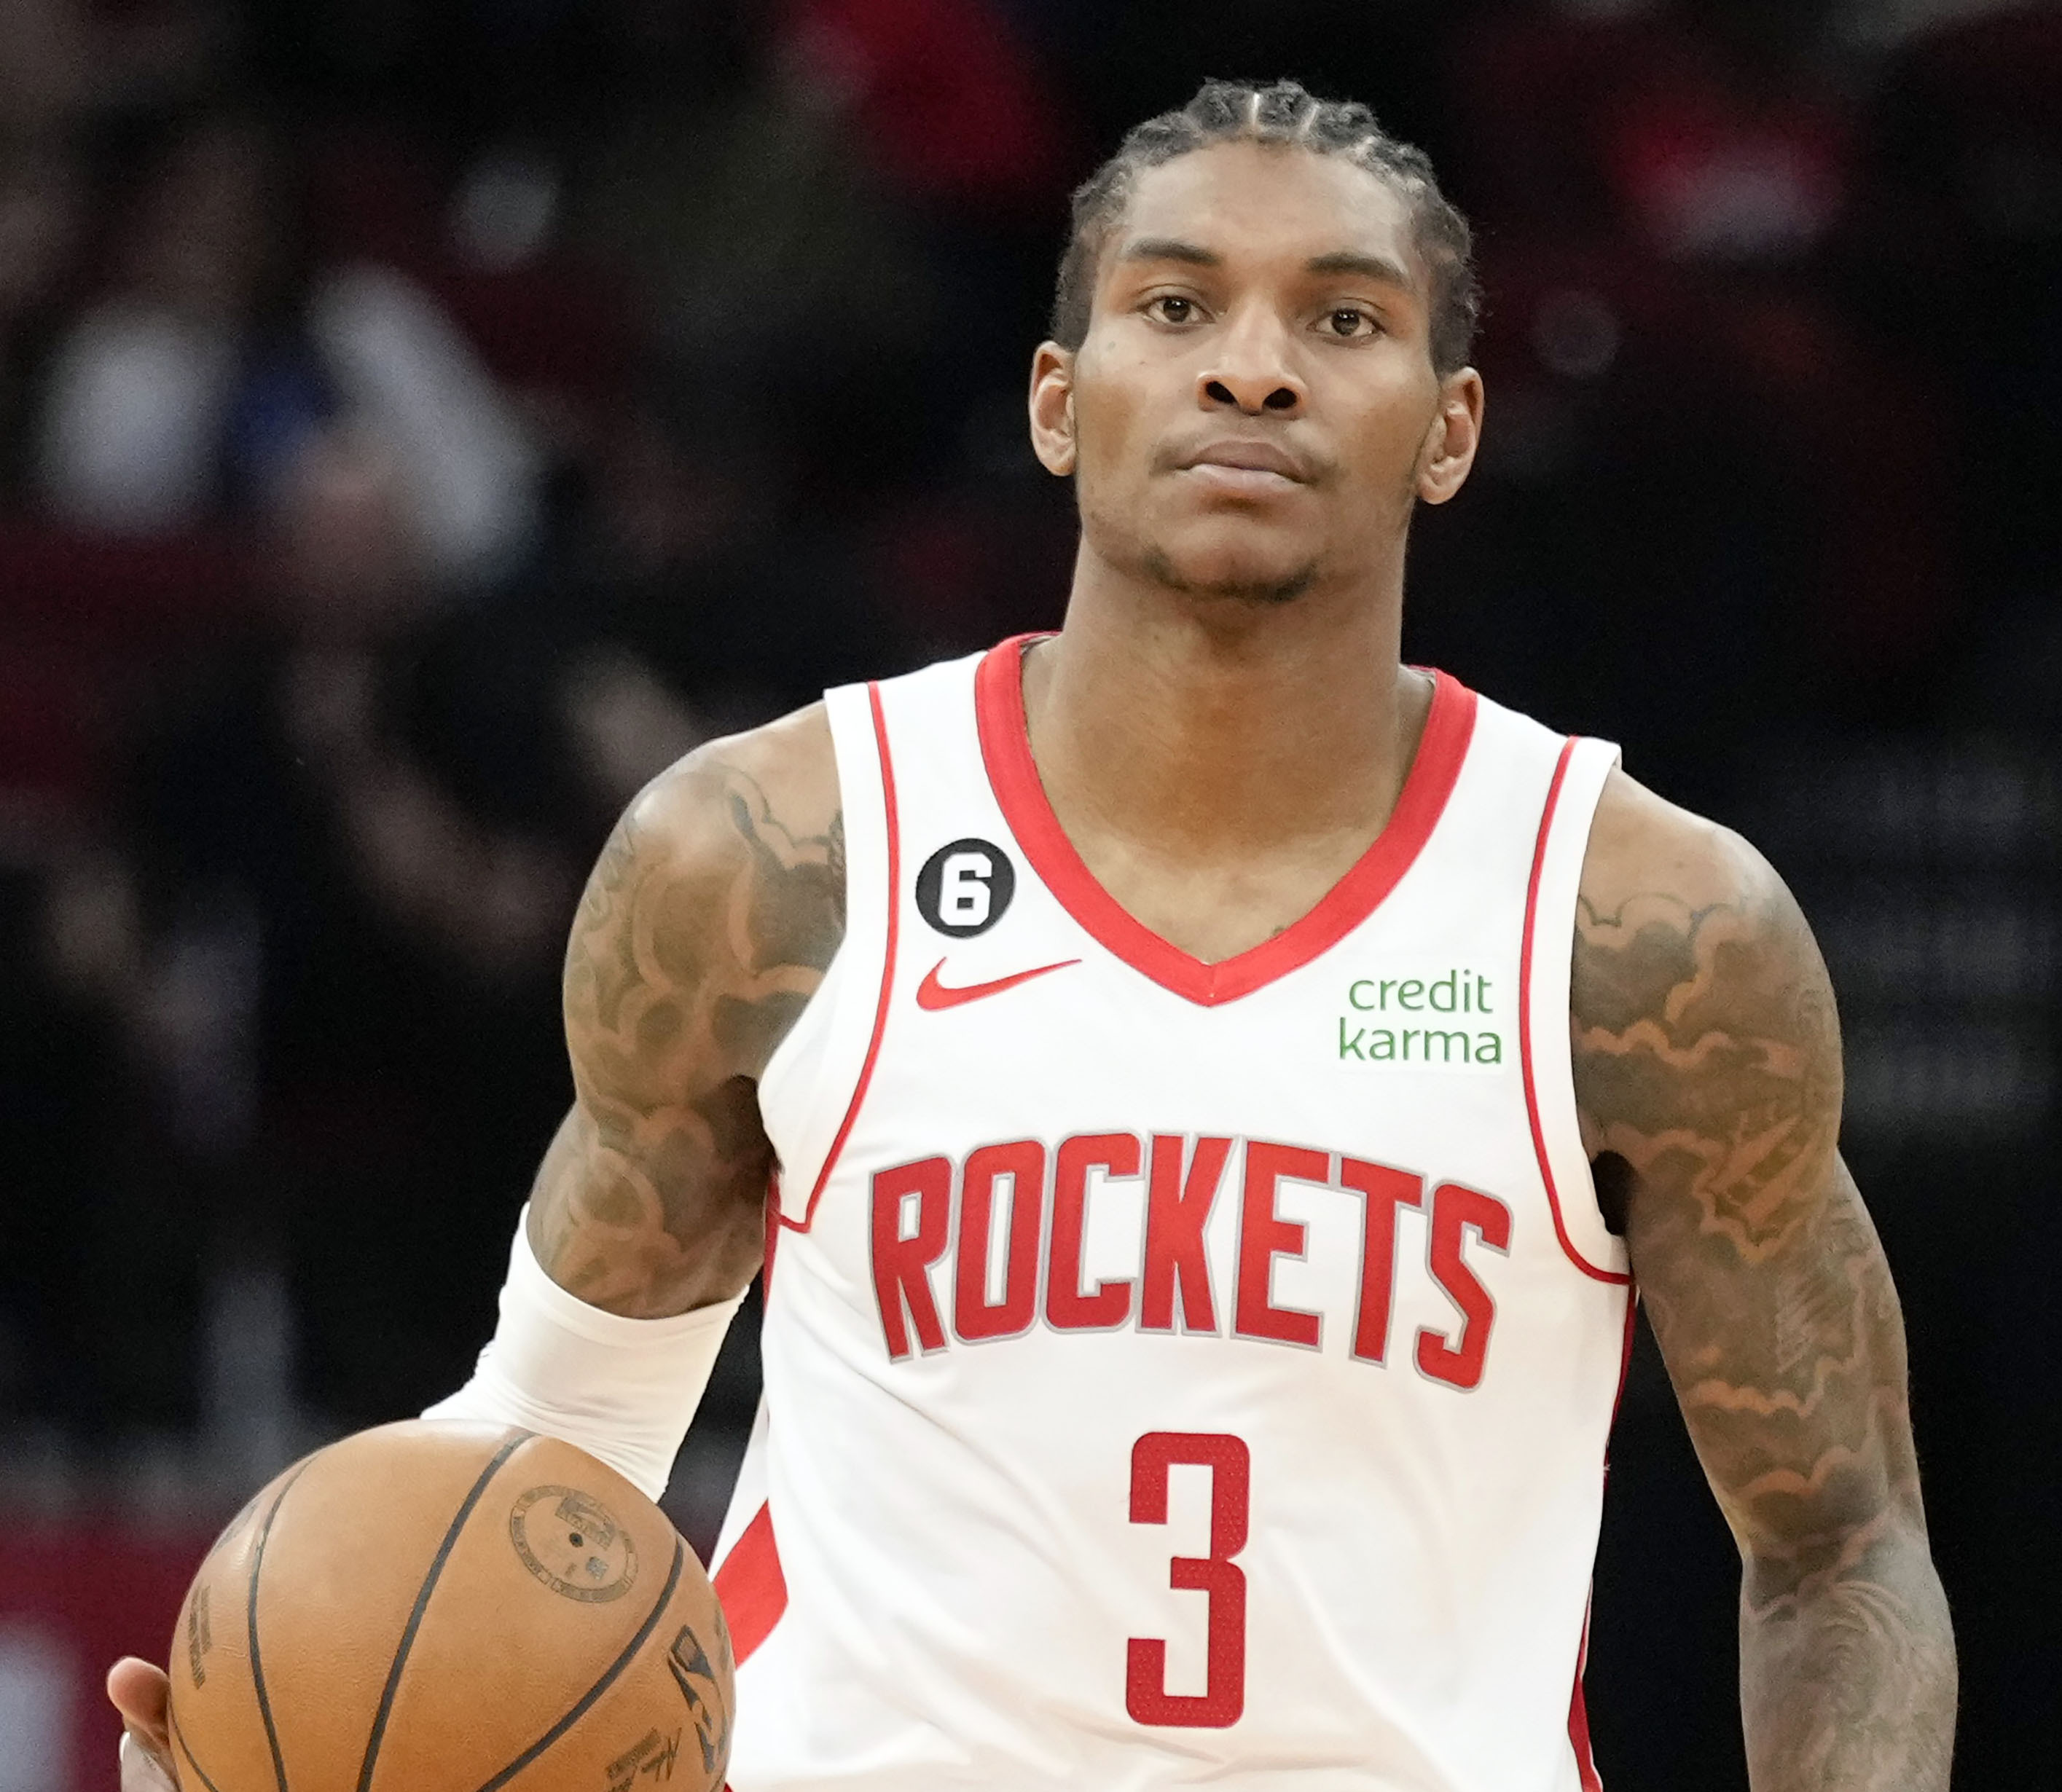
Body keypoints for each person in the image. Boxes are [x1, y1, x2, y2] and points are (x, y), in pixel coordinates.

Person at [114, 80, 1955, 1791]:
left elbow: (1840, 1543)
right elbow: (555, 1441)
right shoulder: (769, 856)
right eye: (1176, 305)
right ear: (1056, 400)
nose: (1253, 371)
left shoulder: (1644, 929)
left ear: (1450, 427)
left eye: (1341, 318)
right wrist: (301, 1709)